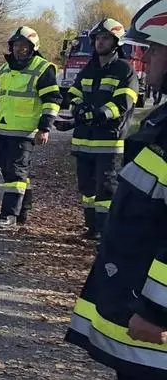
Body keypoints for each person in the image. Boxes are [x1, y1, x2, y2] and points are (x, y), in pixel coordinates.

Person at [66, 0, 167, 380]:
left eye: (154, 51)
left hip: (156, 317)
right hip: (133, 303)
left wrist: (157, 307)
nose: (146, 60)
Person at [54, 18, 140, 239]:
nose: (100, 42)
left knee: (106, 189)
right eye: (98, 38)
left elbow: (124, 102)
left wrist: (98, 113)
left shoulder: (125, 70)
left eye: (105, 38)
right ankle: (92, 228)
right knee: (87, 189)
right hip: (84, 140)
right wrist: (76, 110)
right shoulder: (89, 68)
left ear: (116, 42)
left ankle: (105, 231)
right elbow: (73, 94)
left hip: (108, 141)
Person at [0, 26, 61, 228]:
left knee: (16, 173)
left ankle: (9, 215)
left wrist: (44, 128)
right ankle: (22, 211)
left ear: (33, 47)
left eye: (24, 45)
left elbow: (52, 100)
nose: (19, 49)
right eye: (16, 45)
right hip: (6, 129)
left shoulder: (43, 68)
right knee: (11, 172)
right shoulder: (5, 69)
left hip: (26, 131)